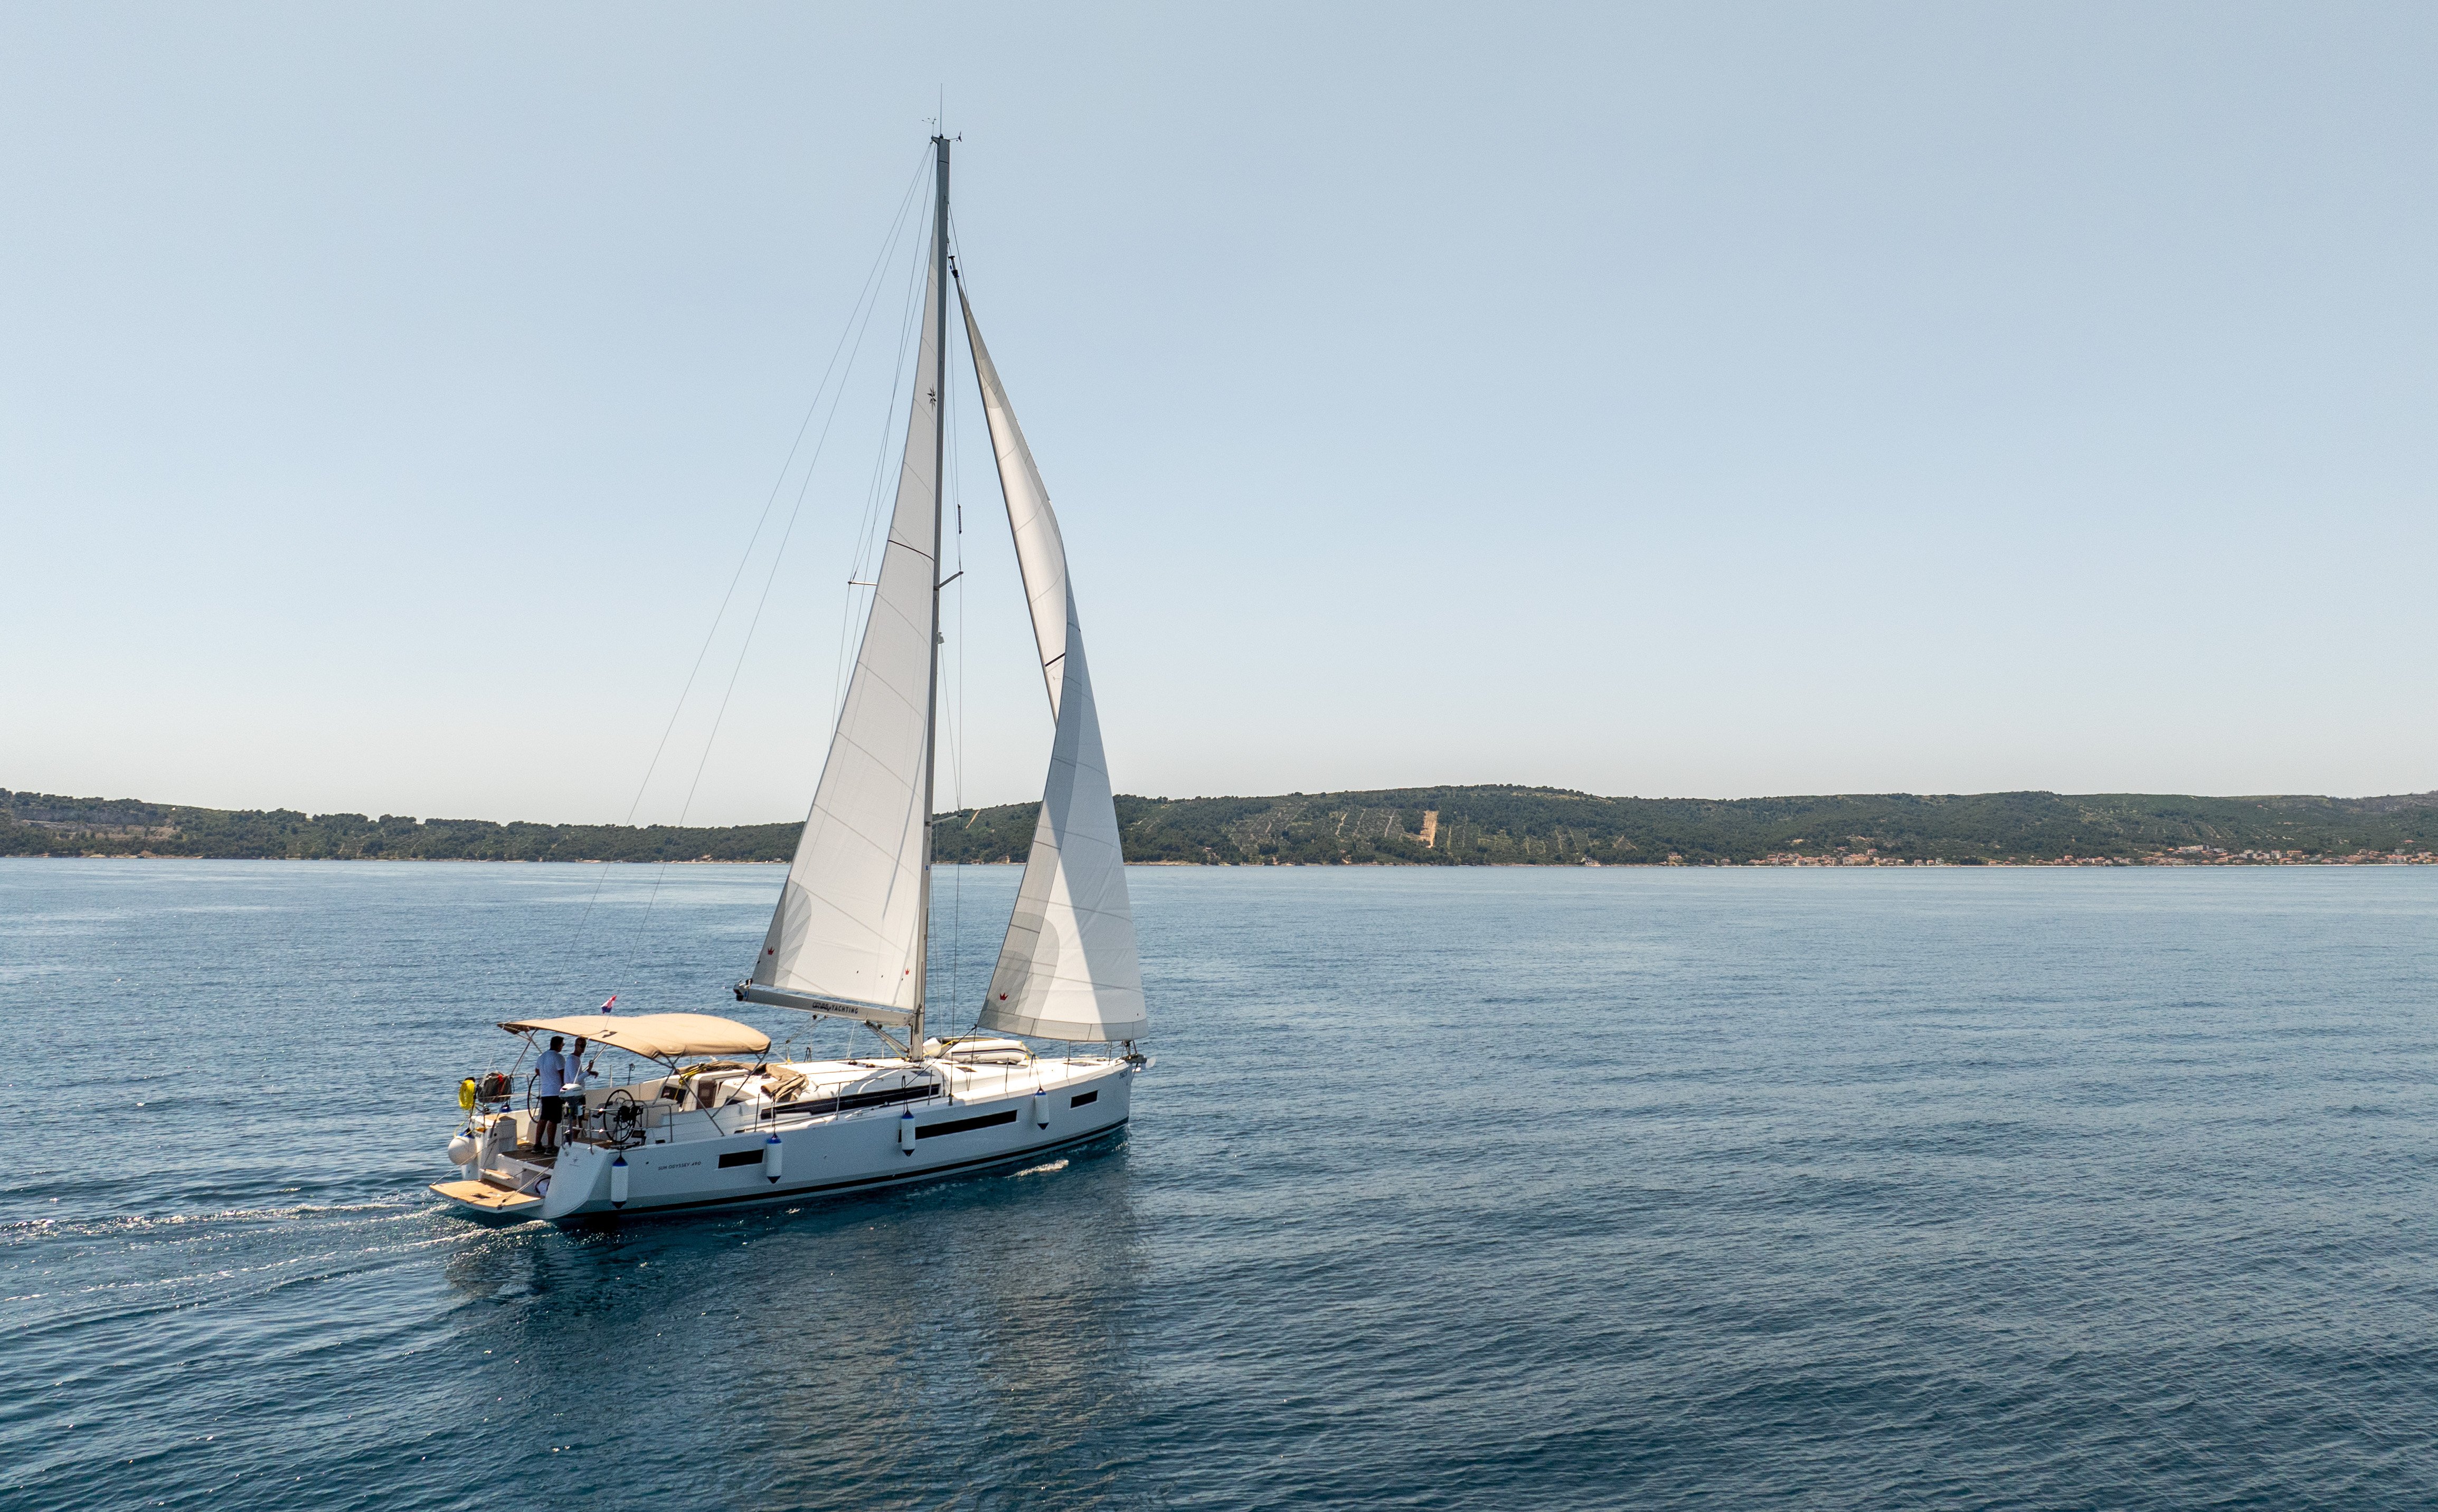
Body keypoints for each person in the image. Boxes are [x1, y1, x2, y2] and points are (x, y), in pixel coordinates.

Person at [533, 1036, 571, 1155]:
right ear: (559, 1044)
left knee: (543, 1118)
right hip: (555, 1092)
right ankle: (550, 1146)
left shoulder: (542, 1057)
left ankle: (537, 1145)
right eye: (563, 1044)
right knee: (553, 1120)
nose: (563, 1047)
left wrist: (547, 1077)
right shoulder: (558, 1057)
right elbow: (562, 1074)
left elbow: (537, 1071)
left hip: (545, 1092)